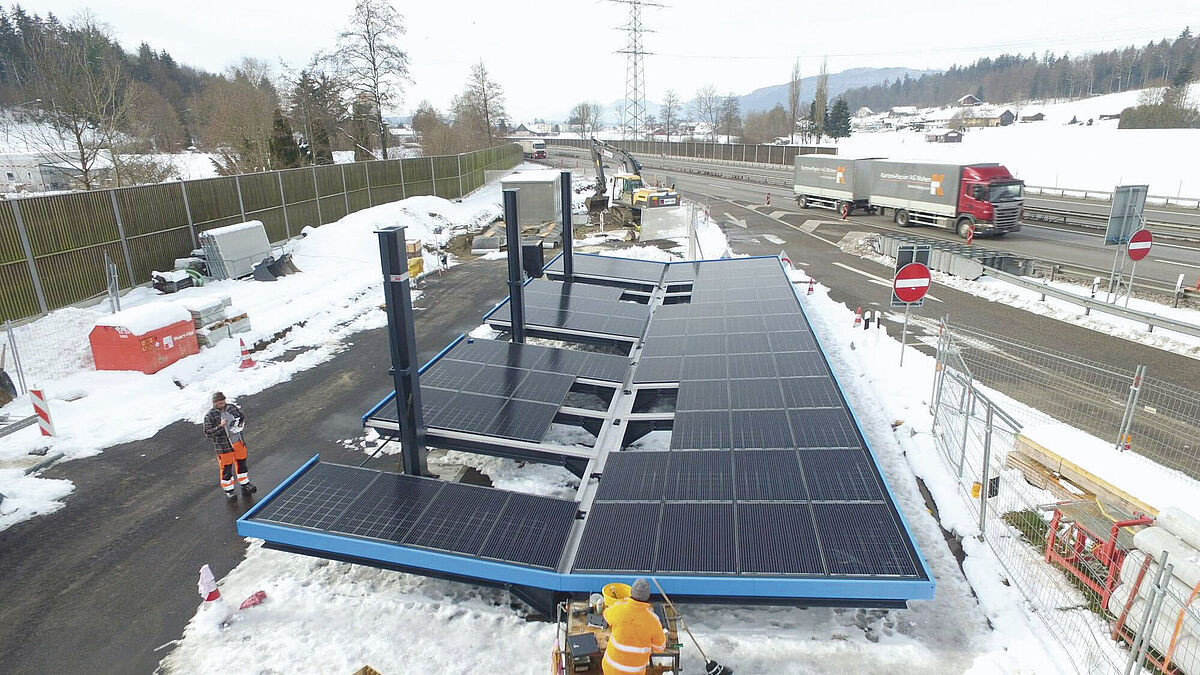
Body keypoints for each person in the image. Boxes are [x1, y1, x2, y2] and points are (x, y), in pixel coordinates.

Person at [602, 578, 667, 675]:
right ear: (647, 596)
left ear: (631, 592)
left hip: (611, 670)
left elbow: (606, 613)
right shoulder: (653, 621)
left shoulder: (618, 609)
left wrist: (622, 603)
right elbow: (660, 647)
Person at [203, 392, 256, 499]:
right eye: (219, 403)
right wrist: (220, 426)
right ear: (214, 403)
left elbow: (241, 416)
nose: (222, 404)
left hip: (238, 442)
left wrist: (240, 423)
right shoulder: (210, 416)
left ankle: (245, 483)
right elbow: (208, 432)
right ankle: (229, 490)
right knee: (226, 468)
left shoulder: (232, 408)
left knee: (242, 463)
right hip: (224, 447)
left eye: (223, 402)